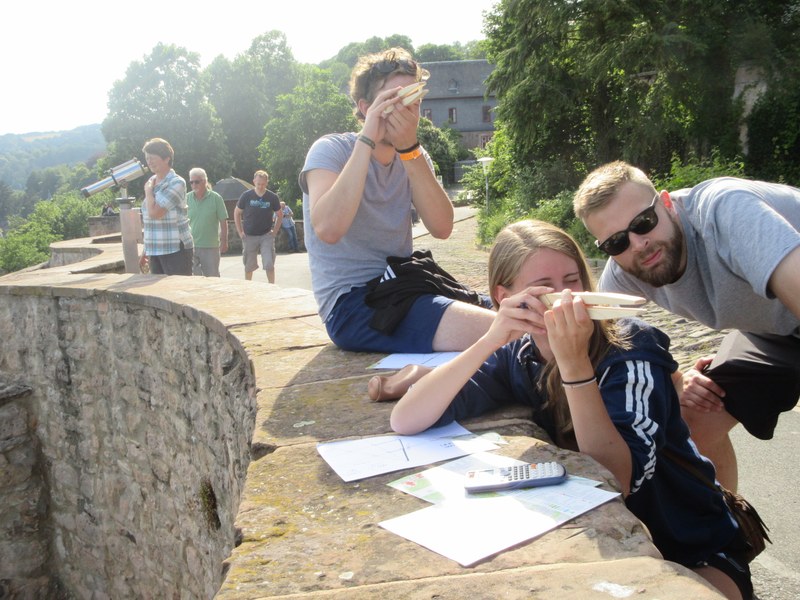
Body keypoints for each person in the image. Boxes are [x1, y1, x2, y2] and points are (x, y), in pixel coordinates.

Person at [390, 220, 753, 600]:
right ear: (506, 296)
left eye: (572, 280)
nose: (565, 298)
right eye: (545, 288)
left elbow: (615, 477)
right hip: (602, 548)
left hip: (691, 542)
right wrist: (492, 336)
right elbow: (407, 418)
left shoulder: (631, 351)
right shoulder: (518, 354)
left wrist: (574, 365)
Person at [572, 161, 800, 491]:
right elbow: (596, 341)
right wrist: (678, 382)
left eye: (644, 222)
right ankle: (728, 532)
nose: (637, 244)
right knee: (696, 415)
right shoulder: (625, 270)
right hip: (773, 329)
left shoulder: (725, 210)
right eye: (616, 242)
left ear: (666, 203)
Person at [298, 47, 494, 353]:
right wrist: (367, 138)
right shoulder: (330, 150)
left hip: (404, 285)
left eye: (412, 99)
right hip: (351, 305)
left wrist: (410, 150)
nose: (405, 110)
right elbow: (329, 229)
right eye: (393, 100)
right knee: (501, 329)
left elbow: (442, 226)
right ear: (365, 108)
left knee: (507, 307)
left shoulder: (414, 156)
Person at [139, 138, 193, 276]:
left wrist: (148, 191)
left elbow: (155, 213)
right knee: (159, 294)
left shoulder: (176, 183)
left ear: (166, 159)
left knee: (178, 293)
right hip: (155, 249)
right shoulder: (151, 182)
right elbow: (150, 222)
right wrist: (146, 249)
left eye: (152, 157)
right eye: (147, 158)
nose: (149, 161)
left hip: (174, 248)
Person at [234, 170, 282, 283]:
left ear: (267, 183)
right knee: (249, 265)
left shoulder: (272, 197)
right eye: (258, 184)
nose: (260, 186)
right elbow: (237, 213)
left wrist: (274, 232)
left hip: (266, 235)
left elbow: (280, 215)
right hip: (249, 235)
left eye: (263, 184)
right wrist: (240, 232)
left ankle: (272, 287)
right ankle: (248, 287)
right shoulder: (246, 196)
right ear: (254, 181)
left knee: (269, 263)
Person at [186, 167, 229, 277]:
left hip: (210, 246)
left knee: (212, 278)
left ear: (204, 181)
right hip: (191, 246)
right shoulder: (186, 198)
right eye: (191, 182)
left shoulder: (216, 198)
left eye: (197, 182)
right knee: (192, 278)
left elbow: (223, 222)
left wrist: (224, 241)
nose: (194, 185)